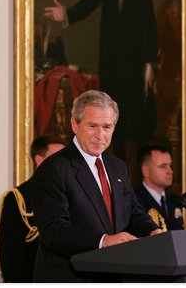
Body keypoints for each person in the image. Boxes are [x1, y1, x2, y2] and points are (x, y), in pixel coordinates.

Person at [44, 0, 158, 174]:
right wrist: (66, 14)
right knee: (110, 122)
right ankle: (112, 172)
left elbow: (150, 26)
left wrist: (149, 63)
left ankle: (134, 175)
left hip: (134, 65)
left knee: (133, 121)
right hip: (111, 63)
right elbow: (88, 4)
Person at [31, 90, 165, 283]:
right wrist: (104, 241)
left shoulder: (117, 166)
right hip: (71, 278)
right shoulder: (53, 168)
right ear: (75, 124)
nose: (100, 135)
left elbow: (133, 212)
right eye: (92, 126)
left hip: (114, 276)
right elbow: (54, 231)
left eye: (107, 127)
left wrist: (152, 232)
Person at [0, 135, 65, 283]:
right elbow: (11, 256)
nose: (63, 163)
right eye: (57, 157)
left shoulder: (71, 194)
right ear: (39, 160)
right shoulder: (17, 198)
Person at [135, 145, 183, 231]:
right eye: (163, 166)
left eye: (170, 166)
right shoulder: (135, 201)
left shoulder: (175, 200)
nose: (170, 171)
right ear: (146, 170)